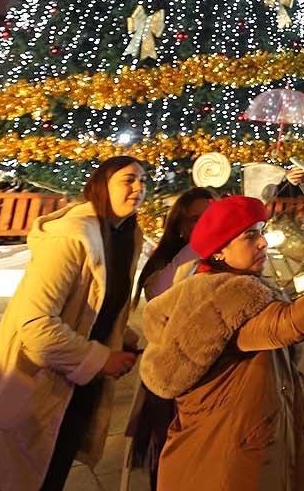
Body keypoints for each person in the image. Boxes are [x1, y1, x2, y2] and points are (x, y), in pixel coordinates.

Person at [141, 195, 304, 491]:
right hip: (226, 456)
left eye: (262, 231)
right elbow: (287, 323)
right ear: (219, 251)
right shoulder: (222, 299)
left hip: (240, 444)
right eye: (250, 236)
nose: (264, 242)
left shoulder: (237, 287)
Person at [0, 157, 148, 491]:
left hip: (76, 384)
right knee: (11, 475)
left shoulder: (126, 234)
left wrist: (120, 335)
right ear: (101, 185)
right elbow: (35, 322)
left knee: (50, 472)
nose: (138, 188)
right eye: (128, 179)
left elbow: (97, 304)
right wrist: (101, 358)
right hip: (33, 376)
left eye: (143, 180)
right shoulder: (71, 238)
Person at [123, 189, 218, 490]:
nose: (204, 224)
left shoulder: (220, 258)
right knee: (170, 457)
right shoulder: (168, 264)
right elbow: (163, 297)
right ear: (180, 225)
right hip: (173, 380)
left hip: (214, 380)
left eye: (211, 218)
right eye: (196, 219)